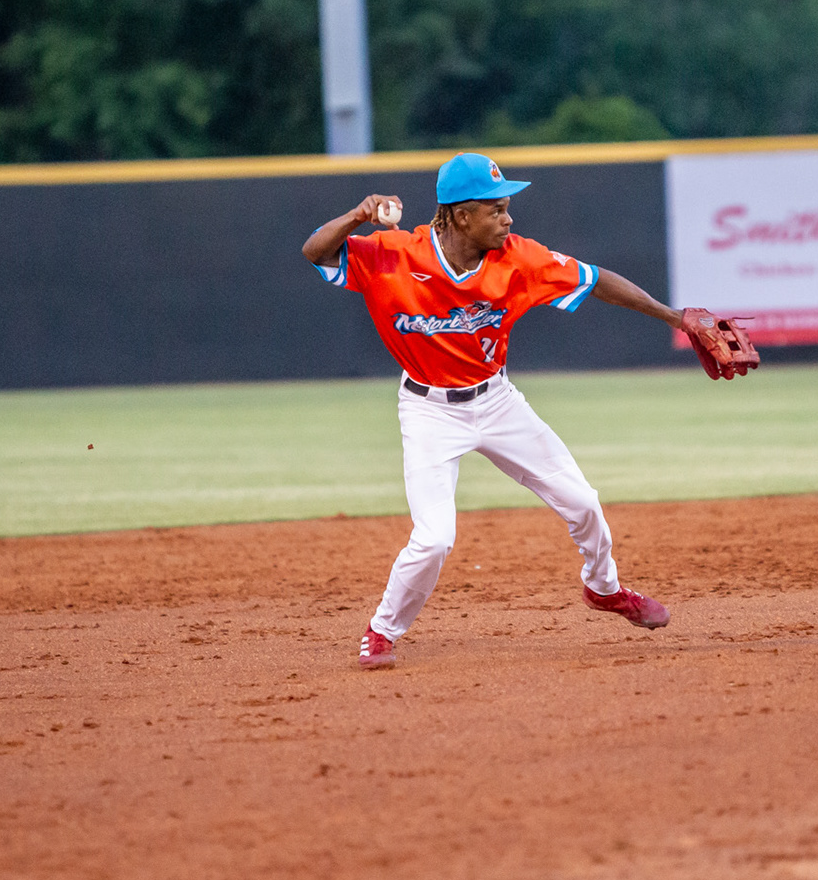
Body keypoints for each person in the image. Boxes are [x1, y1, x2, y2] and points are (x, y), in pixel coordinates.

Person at [303, 151, 745, 670]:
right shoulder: (395, 254)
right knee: (435, 538)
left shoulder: (519, 258)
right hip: (428, 412)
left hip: (497, 403)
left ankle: (604, 589)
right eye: (496, 209)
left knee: (583, 502)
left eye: (507, 207)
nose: (508, 218)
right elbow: (316, 251)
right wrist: (357, 215)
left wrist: (675, 317)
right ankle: (382, 630)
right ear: (461, 216)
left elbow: (596, 280)